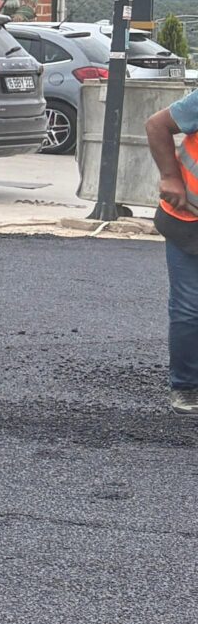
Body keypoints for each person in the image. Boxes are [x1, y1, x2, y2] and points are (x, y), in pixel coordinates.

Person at [138, 92, 198, 413]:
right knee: (190, 307)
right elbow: (156, 125)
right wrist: (170, 176)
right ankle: (187, 388)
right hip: (189, 219)